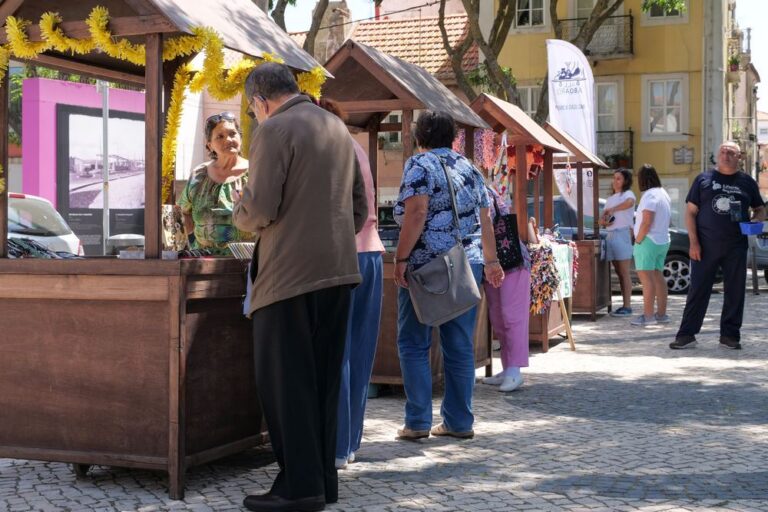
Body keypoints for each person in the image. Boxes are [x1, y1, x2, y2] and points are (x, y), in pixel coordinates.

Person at [232, 63, 367, 512]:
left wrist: (240, 209)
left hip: (288, 277)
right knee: (324, 382)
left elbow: (260, 208)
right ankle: (322, 481)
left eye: (253, 109)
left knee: (286, 384)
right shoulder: (335, 126)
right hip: (339, 272)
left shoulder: (274, 130)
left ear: (259, 101)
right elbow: (360, 209)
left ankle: (298, 487)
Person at [393, 111, 504, 441]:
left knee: (413, 341)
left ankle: (417, 421)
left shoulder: (420, 164)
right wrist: (492, 260)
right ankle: (458, 421)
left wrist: (401, 258)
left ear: (419, 137)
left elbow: (417, 212)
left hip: (427, 265)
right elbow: (486, 218)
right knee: (459, 345)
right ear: (452, 137)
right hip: (467, 264)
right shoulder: (469, 168)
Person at [313, 98, 385, 470]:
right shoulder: (355, 146)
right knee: (359, 354)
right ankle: (351, 441)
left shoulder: (328, 147)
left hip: (344, 254)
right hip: (372, 253)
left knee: (336, 352)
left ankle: (338, 446)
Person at [671, 142, 766, 349]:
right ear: (717, 155)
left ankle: (730, 336)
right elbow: (690, 213)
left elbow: (760, 209)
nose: (726, 155)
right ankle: (686, 334)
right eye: (722, 151)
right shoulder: (703, 180)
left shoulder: (747, 182)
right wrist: (693, 243)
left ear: (739, 157)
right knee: (698, 290)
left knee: (735, 291)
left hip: (736, 246)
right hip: (705, 246)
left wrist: (756, 220)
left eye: (731, 152)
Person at [177, 111, 254, 254]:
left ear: (240, 137)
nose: (229, 139)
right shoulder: (199, 175)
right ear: (209, 145)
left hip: (246, 264)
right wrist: (190, 241)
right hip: (203, 263)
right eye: (220, 136)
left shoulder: (255, 173)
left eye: (233, 133)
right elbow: (183, 212)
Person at [481, 186, 531, 393]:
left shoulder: (481, 190)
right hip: (493, 262)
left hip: (511, 262)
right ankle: (507, 367)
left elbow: (487, 225)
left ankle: (514, 370)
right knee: (499, 317)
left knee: (512, 316)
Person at [630, 164, 672, 327]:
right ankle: (661, 314)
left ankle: (648, 316)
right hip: (662, 240)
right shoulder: (663, 193)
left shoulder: (649, 195)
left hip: (648, 241)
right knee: (658, 277)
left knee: (646, 280)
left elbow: (647, 221)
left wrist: (638, 239)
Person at [599, 168, 636, 317]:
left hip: (623, 234)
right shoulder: (610, 198)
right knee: (619, 273)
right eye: (614, 178)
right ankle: (622, 306)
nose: (615, 181)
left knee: (624, 272)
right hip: (611, 235)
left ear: (625, 181)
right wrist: (603, 221)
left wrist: (613, 209)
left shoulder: (628, 194)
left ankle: (627, 306)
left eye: (618, 178)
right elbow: (602, 219)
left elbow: (629, 203)